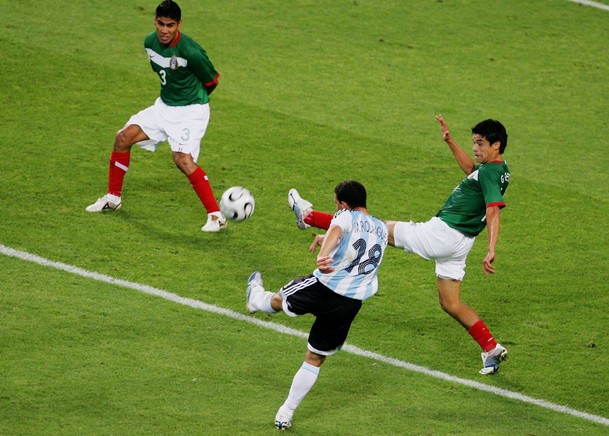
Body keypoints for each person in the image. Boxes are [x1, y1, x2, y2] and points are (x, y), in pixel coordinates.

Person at [288, 115, 510, 375]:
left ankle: (308, 217)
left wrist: (492, 249)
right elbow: (472, 169)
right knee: (450, 303)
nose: (475, 148)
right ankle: (492, 348)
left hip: (442, 234)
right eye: (473, 142)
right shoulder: (498, 170)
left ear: (495, 145)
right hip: (461, 243)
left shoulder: (490, 173)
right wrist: (450, 142)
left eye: (480, 143)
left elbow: (493, 211)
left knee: (376, 227)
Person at [246, 180, 388, 429]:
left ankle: (255, 298)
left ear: (344, 204)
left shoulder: (346, 216)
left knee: (280, 299)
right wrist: (330, 241)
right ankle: (285, 413)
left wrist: (324, 254)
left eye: (337, 203)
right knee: (314, 358)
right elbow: (352, 241)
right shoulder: (382, 228)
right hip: (350, 303)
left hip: (324, 287)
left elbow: (337, 230)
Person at [86, 0, 226, 232]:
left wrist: (191, 97)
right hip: (163, 107)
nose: (164, 30)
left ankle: (216, 217)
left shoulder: (191, 50)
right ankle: (113, 198)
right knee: (123, 138)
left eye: (170, 25)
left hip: (191, 111)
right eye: (160, 23)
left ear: (179, 25)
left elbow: (212, 81)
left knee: (182, 159)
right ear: (155, 21)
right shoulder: (149, 43)